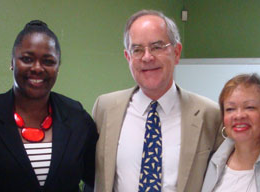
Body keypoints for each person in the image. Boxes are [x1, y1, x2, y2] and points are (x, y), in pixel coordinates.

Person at [92, 10, 223, 192]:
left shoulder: (210, 114)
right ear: (128, 57)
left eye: (157, 47)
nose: (147, 57)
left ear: (176, 52)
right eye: (137, 50)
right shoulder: (104, 108)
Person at [0, 20, 98, 191]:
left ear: (58, 67)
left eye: (48, 61)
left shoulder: (77, 117)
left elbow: (96, 178)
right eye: (27, 59)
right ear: (12, 62)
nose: (37, 68)